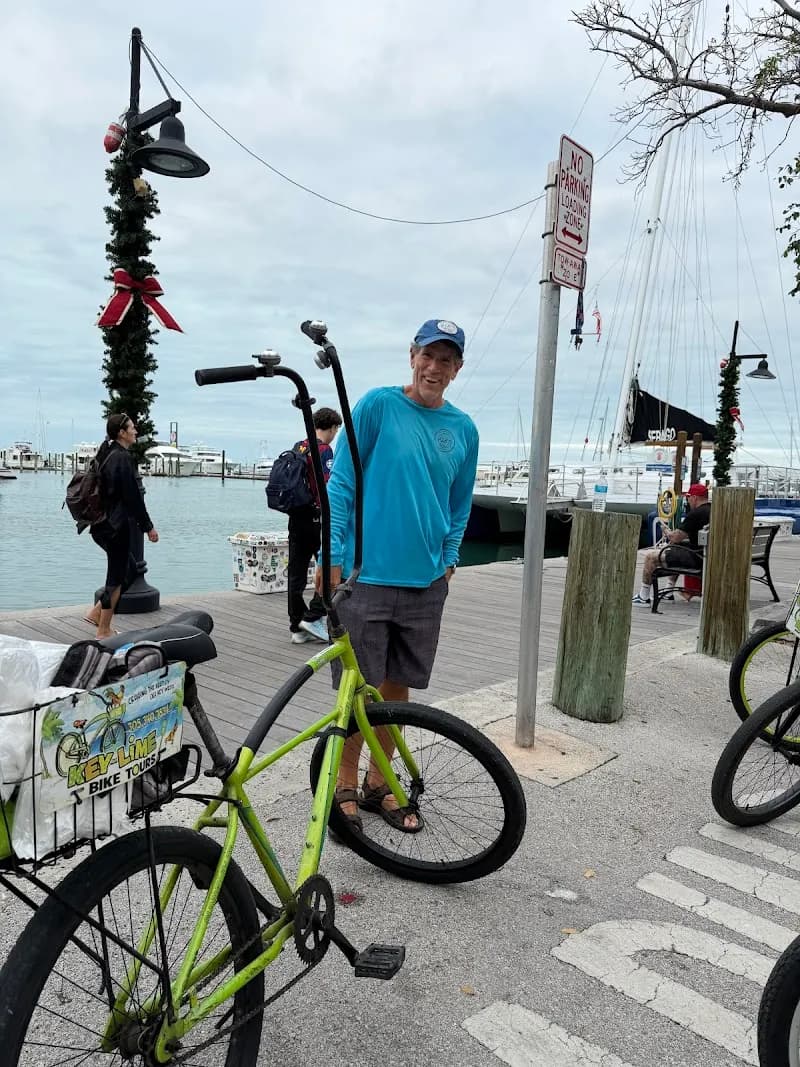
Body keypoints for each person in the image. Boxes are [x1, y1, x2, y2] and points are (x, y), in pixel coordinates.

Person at [323, 318, 479, 832]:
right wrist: (332, 559)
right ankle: (342, 784)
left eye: (446, 359)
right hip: (365, 578)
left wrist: (450, 559)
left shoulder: (463, 429)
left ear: (457, 368)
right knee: (357, 691)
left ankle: (379, 782)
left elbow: (459, 506)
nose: (435, 368)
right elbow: (341, 483)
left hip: (426, 582)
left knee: (396, 691)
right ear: (411, 355)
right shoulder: (378, 406)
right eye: (427, 356)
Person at [84, 413, 159, 637]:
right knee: (116, 578)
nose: (136, 431)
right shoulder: (122, 458)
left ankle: (97, 613)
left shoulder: (106, 453)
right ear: (121, 433)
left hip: (101, 525)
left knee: (130, 570)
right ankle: (104, 630)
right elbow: (133, 497)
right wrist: (148, 527)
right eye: (132, 428)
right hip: (115, 526)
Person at [288, 407, 342, 644]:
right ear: (331, 427)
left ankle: (296, 627)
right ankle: (313, 616)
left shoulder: (299, 446)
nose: (335, 435)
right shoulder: (324, 450)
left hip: (296, 516)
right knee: (327, 564)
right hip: (317, 517)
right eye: (336, 430)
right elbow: (329, 485)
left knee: (296, 573)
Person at [632, 483, 711, 606]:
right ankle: (668, 592)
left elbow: (676, 538)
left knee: (650, 557)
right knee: (676, 550)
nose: (688, 501)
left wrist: (667, 532)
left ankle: (643, 596)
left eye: (688, 497)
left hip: (697, 559)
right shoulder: (713, 511)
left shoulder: (695, 514)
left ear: (694, 498)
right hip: (706, 555)